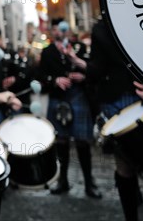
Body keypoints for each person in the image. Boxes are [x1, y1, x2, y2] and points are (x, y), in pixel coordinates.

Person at [88, 18, 143, 220]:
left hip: (121, 100)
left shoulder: (102, 28)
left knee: (126, 167)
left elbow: (96, 71)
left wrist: (85, 68)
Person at [38, 18, 101, 198]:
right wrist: (55, 80)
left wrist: (83, 76)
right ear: (52, 31)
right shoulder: (47, 52)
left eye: (62, 29)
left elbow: (92, 70)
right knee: (61, 142)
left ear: (67, 30)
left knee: (82, 141)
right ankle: (62, 180)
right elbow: (40, 76)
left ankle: (89, 182)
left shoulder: (79, 47)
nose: (59, 32)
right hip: (58, 97)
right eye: (56, 29)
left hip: (78, 95)